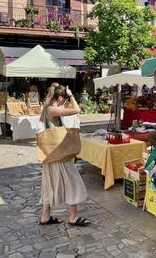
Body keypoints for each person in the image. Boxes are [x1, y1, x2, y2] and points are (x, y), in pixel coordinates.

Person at [38, 85, 90, 227]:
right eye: (65, 99)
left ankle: (45, 216)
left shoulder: (47, 109)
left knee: (49, 185)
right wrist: (72, 95)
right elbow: (77, 110)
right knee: (72, 182)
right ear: (60, 98)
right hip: (59, 154)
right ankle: (73, 217)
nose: (66, 102)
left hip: (50, 155)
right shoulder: (52, 109)